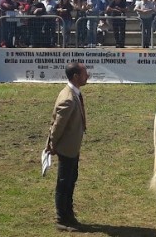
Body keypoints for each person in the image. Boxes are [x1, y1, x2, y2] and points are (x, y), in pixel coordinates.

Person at [46, 62, 89, 232]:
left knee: (71, 180)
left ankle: (68, 214)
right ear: (76, 77)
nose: (88, 76)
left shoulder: (73, 93)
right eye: (85, 73)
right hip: (66, 148)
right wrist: (52, 145)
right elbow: (58, 125)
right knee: (64, 183)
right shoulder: (69, 99)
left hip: (71, 147)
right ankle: (62, 218)